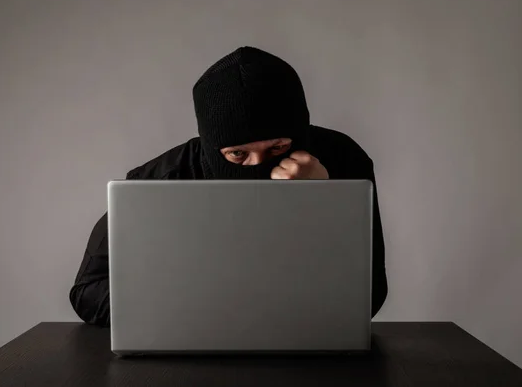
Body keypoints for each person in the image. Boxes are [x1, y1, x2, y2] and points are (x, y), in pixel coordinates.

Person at [69, 46, 388, 327]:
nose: (258, 165)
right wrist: (194, 302)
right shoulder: (158, 180)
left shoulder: (343, 160)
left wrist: (326, 204)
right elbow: (88, 292)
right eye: (237, 154)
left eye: (278, 148)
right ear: (212, 148)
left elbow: (368, 298)